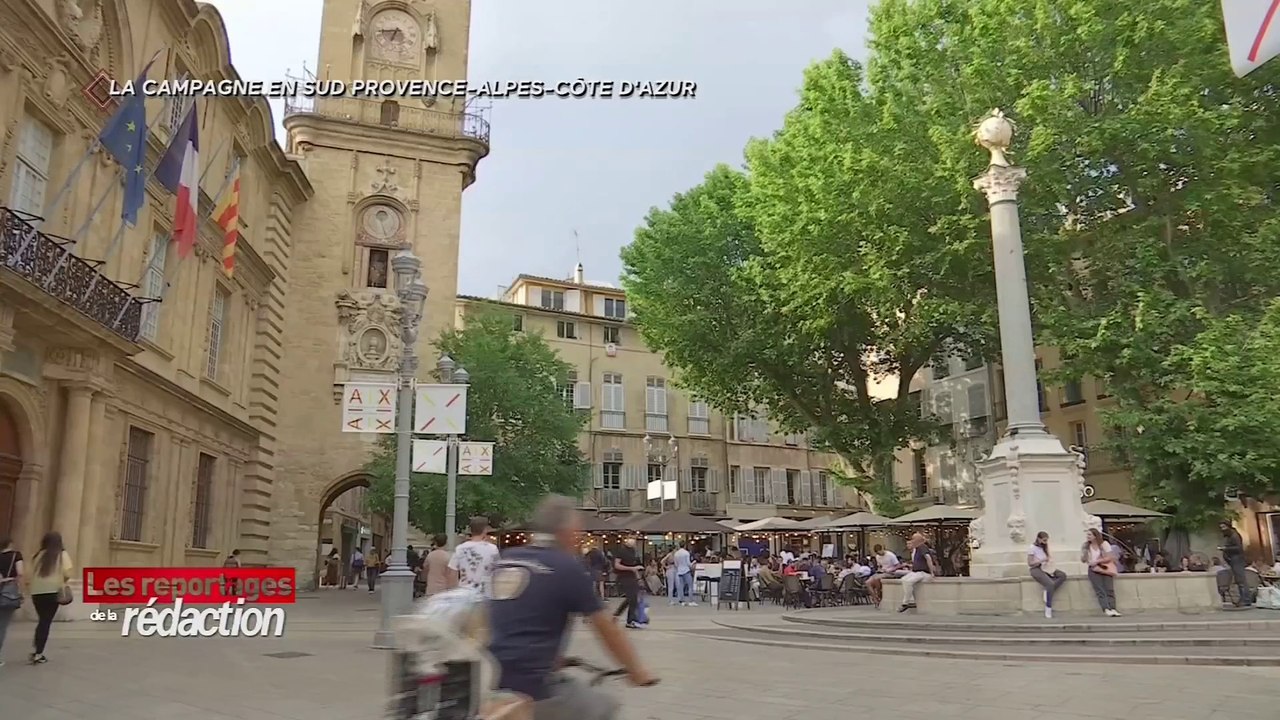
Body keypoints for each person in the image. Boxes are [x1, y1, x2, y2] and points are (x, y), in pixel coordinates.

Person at [488, 495, 657, 720]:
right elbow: (606, 628)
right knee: (603, 706)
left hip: (489, 676)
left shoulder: (507, 558)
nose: (578, 538)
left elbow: (510, 615)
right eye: (577, 532)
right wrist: (637, 670)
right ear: (566, 531)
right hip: (534, 684)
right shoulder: (566, 566)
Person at [28, 531, 73, 664]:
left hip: (36, 592)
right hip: (53, 592)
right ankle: (38, 652)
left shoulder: (38, 555)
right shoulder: (62, 554)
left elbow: (32, 571)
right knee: (45, 621)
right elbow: (67, 572)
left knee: (42, 620)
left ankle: (37, 647)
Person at [448, 517, 500, 596]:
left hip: (464, 592)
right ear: (485, 530)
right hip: (485, 593)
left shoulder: (460, 548)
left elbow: (452, 573)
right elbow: (497, 571)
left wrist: (453, 591)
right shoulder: (492, 549)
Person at [1027, 531, 1067, 618]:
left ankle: (1048, 591)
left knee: (1062, 575)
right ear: (1039, 539)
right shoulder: (1032, 548)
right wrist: (1040, 561)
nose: (1045, 542)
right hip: (1036, 568)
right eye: (1044, 540)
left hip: (1046, 567)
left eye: (1046, 540)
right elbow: (1030, 563)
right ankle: (1048, 607)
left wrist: (1049, 560)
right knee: (1050, 584)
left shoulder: (1045, 547)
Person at [1082, 528, 1120, 616]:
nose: (1088, 536)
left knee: (1109, 589)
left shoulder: (1104, 544)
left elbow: (1110, 556)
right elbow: (1084, 559)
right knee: (1100, 590)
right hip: (1093, 569)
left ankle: (1113, 608)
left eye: (1090, 535)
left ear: (1095, 536)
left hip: (1105, 567)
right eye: (1087, 535)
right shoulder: (1086, 546)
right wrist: (1084, 556)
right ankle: (1106, 608)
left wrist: (1097, 561)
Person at [898, 533, 938, 612]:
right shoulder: (917, 549)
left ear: (917, 540)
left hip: (923, 572)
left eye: (913, 539)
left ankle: (906, 603)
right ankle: (912, 600)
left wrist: (932, 573)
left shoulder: (922, 547)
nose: (912, 541)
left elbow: (928, 558)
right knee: (904, 579)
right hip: (916, 572)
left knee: (908, 581)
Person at [0, 535, 24, 666]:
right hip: (7, 593)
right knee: (2, 625)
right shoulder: (16, 555)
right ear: (10, 544)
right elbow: (20, 573)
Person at [1217, 520, 1252, 607]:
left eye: (1224, 527)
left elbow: (1238, 548)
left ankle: (1246, 599)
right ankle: (1243, 599)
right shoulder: (1230, 536)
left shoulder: (1234, 535)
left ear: (1229, 526)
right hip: (1233, 559)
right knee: (1238, 579)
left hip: (1237, 559)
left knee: (1241, 579)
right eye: (1221, 527)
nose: (1222, 529)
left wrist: (1225, 548)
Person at [611, 537, 644, 629]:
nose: (633, 542)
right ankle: (630, 620)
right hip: (623, 577)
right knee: (632, 598)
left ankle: (617, 614)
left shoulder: (633, 552)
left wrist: (638, 578)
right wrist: (630, 568)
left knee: (632, 598)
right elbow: (616, 565)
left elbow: (634, 566)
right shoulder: (621, 551)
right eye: (631, 539)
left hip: (632, 577)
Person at [423, 534, 452, 598]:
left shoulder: (430, 555)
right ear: (446, 543)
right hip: (443, 590)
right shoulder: (448, 557)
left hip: (431, 589)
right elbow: (451, 575)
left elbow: (425, 570)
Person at [672, 541, 695, 607]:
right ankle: (691, 601)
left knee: (681, 586)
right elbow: (688, 563)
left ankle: (682, 600)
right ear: (685, 545)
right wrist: (693, 563)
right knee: (690, 586)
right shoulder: (686, 553)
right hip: (686, 570)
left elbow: (676, 564)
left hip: (679, 571)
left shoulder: (676, 554)